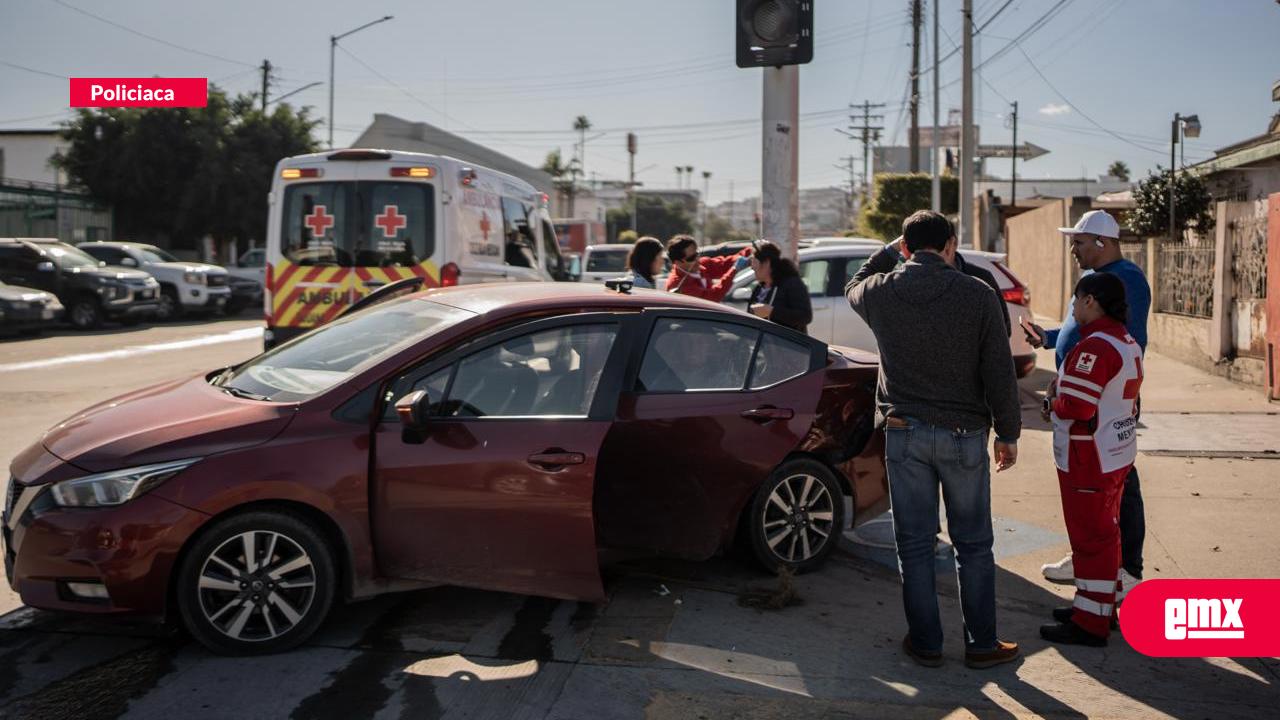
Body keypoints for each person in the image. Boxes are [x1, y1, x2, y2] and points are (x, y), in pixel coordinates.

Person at [846, 210, 1021, 670]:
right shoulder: (978, 295)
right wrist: (1008, 432)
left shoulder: (883, 292)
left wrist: (889, 249)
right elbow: (999, 371)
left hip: (905, 434)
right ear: (951, 246)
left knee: (915, 544)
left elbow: (854, 283)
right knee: (974, 544)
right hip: (965, 435)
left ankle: (925, 641)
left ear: (905, 249)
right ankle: (982, 644)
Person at [1021, 210, 1150, 598]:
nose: (1073, 249)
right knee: (1087, 487)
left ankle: (1127, 569)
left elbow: (1128, 339)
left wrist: (1090, 386)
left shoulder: (1127, 281)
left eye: (1078, 242)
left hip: (1100, 398)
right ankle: (1089, 557)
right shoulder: (1094, 281)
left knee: (1117, 482)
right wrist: (1050, 339)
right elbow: (1084, 328)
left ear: (1102, 243)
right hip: (1082, 391)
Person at [1039, 272, 1143, 647]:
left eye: (1076, 299)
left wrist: (1051, 402)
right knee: (1105, 536)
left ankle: (1090, 623)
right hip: (1113, 452)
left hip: (1089, 456)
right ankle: (1096, 605)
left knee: (1091, 539)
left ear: (1090, 301)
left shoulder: (1094, 348)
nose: (1073, 307)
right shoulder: (1126, 342)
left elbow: (1079, 406)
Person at [745, 240, 813, 334]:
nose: (752, 267)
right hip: (764, 345)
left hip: (788, 346)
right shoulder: (759, 288)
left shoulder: (791, 284)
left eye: (754, 262)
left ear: (766, 263)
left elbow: (805, 316)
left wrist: (771, 311)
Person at [665, 234, 749, 302]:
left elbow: (725, 264)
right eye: (691, 258)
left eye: (697, 254)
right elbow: (713, 297)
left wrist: (751, 250)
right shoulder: (677, 285)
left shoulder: (702, 265)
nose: (697, 260)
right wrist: (734, 270)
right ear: (677, 262)